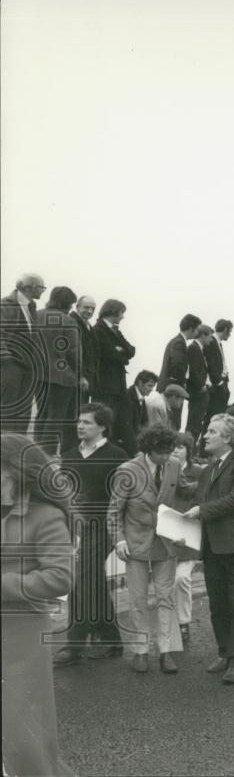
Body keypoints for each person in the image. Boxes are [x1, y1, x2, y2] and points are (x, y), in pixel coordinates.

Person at [1, 433, 75, 776]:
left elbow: (60, 577)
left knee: (19, 728)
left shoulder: (45, 515)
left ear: (13, 470)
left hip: (21, 634)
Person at [178, 413, 234, 685]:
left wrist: (201, 510)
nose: (206, 435)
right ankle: (225, 652)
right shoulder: (209, 468)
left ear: (228, 438)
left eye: (212, 431)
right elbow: (194, 492)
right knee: (218, 605)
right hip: (214, 547)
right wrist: (169, 470)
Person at [107, 424, 193, 674]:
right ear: (148, 449)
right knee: (137, 600)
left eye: (170, 452)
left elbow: (185, 489)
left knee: (166, 598)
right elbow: (114, 510)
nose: (167, 457)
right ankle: (141, 651)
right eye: (161, 453)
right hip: (135, 543)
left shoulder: (175, 466)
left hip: (166, 542)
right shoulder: (127, 470)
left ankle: (166, 652)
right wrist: (119, 540)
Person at [52, 403, 130, 665]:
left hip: (104, 525)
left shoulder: (117, 455)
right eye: (79, 421)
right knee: (90, 579)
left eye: (86, 422)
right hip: (75, 526)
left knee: (81, 577)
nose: (80, 426)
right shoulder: (70, 454)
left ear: (102, 427)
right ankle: (110, 638)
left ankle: (74, 644)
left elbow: (122, 497)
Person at [35, 286, 81, 455]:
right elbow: (73, 352)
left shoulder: (36, 315)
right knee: (56, 416)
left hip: (38, 375)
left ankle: (37, 451)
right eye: (71, 304)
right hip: (63, 377)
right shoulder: (68, 321)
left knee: (42, 413)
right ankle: (48, 453)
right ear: (66, 303)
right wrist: (79, 374)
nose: (71, 308)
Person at [168, 433, 203, 646]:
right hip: (166, 531)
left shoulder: (198, 472)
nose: (175, 450)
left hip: (189, 531)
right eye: (172, 446)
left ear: (189, 449)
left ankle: (183, 622)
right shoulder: (163, 468)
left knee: (182, 579)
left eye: (180, 447)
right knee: (167, 583)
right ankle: (170, 625)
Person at [0, 273, 45, 434]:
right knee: (7, 409)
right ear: (29, 287)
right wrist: (6, 360)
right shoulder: (6, 305)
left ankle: (17, 446)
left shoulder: (31, 307)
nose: (43, 291)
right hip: (10, 366)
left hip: (28, 367)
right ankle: (4, 449)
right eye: (41, 287)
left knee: (24, 411)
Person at [90, 299, 136, 446]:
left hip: (117, 385)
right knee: (105, 420)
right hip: (106, 385)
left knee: (118, 420)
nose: (123, 317)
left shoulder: (114, 330)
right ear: (113, 311)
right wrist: (122, 354)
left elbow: (131, 350)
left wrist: (121, 352)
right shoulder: (98, 330)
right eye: (122, 313)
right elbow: (111, 354)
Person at [156, 315, 202, 430]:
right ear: (191, 329)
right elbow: (178, 366)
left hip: (169, 387)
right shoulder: (179, 343)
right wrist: (182, 384)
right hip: (172, 390)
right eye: (197, 330)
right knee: (173, 423)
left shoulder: (176, 341)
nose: (197, 333)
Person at [117, 370, 158, 458]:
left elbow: (145, 424)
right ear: (140, 383)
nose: (151, 389)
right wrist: (136, 451)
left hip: (132, 445)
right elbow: (126, 428)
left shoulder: (141, 398)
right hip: (123, 446)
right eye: (149, 385)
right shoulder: (127, 397)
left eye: (153, 387)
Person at [203, 319, 233, 429]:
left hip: (220, 384)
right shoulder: (211, 342)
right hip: (216, 387)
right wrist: (219, 383)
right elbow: (211, 364)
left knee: (216, 418)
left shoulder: (217, 343)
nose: (230, 335)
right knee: (213, 419)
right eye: (230, 332)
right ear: (225, 329)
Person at [185, 325, 212, 441]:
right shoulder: (194, 348)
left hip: (199, 392)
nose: (211, 340)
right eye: (210, 337)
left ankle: (191, 452)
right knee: (194, 424)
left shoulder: (198, 348)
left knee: (196, 424)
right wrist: (202, 386)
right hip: (197, 393)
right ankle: (189, 452)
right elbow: (193, 371)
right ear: (203, 335)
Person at [70, 294, 98, 405]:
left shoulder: (88, 325)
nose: (90, 311)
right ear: (77, 306)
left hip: (86, 378)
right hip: (76, 378)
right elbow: (74, 352)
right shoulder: (72, 321)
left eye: (93, 309)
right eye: (86, 307)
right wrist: (80, 376)